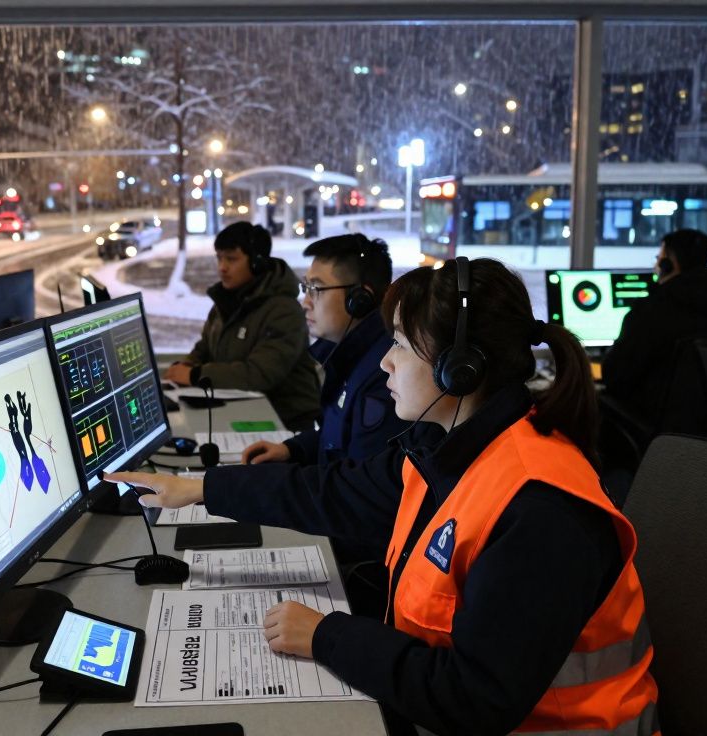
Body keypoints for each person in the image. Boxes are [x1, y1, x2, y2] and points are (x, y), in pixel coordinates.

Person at [115, 257, 658, 735]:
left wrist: (328, 636)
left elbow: (473, 700)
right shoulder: (449, 448)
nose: (384, 362)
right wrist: (199, 489)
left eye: (400, 344)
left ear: (460, 367)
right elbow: (332, 492)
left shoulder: (539, 510)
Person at [242, 233, 409, 466]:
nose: (305, 303)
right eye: (306, 287)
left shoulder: (383, 373)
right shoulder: (349, 356)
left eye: (316, 289)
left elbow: (356, 483)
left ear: (359, 299)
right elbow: (339, 439)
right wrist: (292, 449)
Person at [165, 222, 320, 431]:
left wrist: (195, 375)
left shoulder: (284, 310)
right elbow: (205, 348)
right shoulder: (226, 302)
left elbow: (258, 374)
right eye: (219, 258)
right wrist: (183, 369)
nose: (222, 267)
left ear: (256, 262)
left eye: (231, 259)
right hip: (238, 410)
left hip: (285, 424)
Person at [602, 228, 707, 426]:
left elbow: (615, 376)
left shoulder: (651, 311)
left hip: (660, 430)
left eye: (659, 258)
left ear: (668, 263)